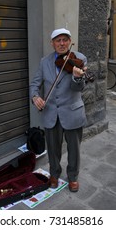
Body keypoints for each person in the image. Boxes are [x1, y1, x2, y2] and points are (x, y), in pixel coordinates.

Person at [30, 28, 87, 192]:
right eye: (58, 40)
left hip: (72, 112)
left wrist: (77, 77)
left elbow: (80, 88)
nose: (61, 43)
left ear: (70, 41)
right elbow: (35, 84)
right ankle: (54, 174)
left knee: (74, 149)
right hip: (51, 113)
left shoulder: (79, 59)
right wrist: (35, 97)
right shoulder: (44, 62)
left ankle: (73, 177)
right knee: (53, 148)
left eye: (65, 40)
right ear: (52, 43)